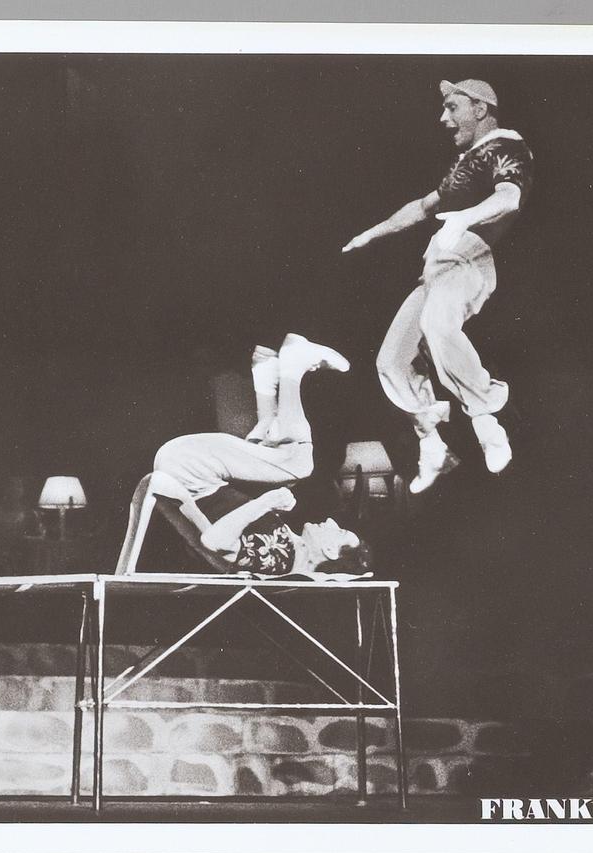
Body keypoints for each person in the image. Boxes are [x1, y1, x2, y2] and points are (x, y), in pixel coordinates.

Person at [342, 78, 534, 493]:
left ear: (480, 109)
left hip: (468, 261)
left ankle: (488, 422)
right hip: (435, 270)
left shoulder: (506, 147)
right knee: (391, 361)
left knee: (438, 328)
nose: (443, 118)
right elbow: (421, 207)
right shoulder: (466, 162)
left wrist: (465, 219)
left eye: (452, 108)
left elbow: (509, 198)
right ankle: (432, 445)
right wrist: (371, 233)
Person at [146, 334, 371, 575]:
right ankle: (266, 373)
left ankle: (293, 366)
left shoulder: (281, 559)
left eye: (340, 532)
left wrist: (268, 502)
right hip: (186, 467)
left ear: (330, 551)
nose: (332, 522)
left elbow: (214, 542)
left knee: (300, 465)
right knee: (283, 469)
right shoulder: (287, 551)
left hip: (190, 468)